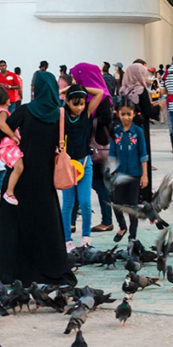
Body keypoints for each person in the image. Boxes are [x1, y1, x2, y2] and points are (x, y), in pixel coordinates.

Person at [0, 71, 77, 286]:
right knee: (46, 225)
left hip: (19, 178)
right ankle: (50, 270)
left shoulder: (25, 111)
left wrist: (12, 138)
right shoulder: (60, 114)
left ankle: (11, 273)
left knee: (14, 225)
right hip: (45, 179)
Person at [71, 62, 115, 234]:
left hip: (96, 147)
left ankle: (106, 220)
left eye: (77, 75)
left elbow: (105, 119)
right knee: (78, 183)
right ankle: (73, 221)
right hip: (86, 146)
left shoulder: (101, 96)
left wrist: (85, 121)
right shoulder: (84, 95)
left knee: (95, 184)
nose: (75, 79)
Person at [60, 83, 105, 250]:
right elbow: (51, 98)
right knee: (68, 204)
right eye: (75, 103)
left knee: (86, 203)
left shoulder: (86, 113)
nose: (79, 107)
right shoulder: (62, 113)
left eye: (82, 103)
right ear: (67, 101)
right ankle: (67, 240)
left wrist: (76, 87)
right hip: (67, 166)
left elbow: (100, 92)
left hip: (85, 164)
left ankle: (86, 237)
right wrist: (65, 91)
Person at [110, 99, 149, 241]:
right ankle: (122, 227)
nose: (126, 117)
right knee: (116, 203)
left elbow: (143, 155)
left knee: (132, 206)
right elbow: (112, 155)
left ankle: (132, 237)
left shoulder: (138, 132)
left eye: (129, 114)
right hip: (120, 175)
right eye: (123, 114)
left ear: (133, 114)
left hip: (135, 174)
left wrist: (144, 175)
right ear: (118, 114)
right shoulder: (115, 132)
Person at [119, 62, 155, 200]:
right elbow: (149, 111)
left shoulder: (122, 90)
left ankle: (129, 194)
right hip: (140, 129)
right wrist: (159, 107)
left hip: (126, 130)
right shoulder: (141, 90)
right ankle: (144, 193)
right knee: (143, 158)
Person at [0, 85, 24, 205]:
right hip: (8, 145)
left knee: (16, 167)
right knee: (19, 167)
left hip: (3, 147)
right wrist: (13, 136)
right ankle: (9, 192)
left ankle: (10, 191)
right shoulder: (2, 112)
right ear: (7, 100)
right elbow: (2, 124)